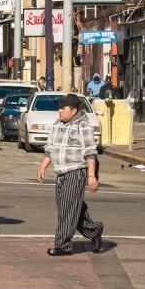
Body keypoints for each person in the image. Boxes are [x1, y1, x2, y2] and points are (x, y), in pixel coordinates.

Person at [36, 93, 102, 256]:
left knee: (68, 208)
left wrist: (91, 176)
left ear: (73, 110)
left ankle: (63, 245)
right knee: (71, 207)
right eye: (59, 107)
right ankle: (94, 230)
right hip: (61, 172)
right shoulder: (57, 124)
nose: (59, 111)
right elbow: (49, 148)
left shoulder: (82, 126)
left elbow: (90, 153)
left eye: (63, 108)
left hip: (76, 171)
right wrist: (43, 167)